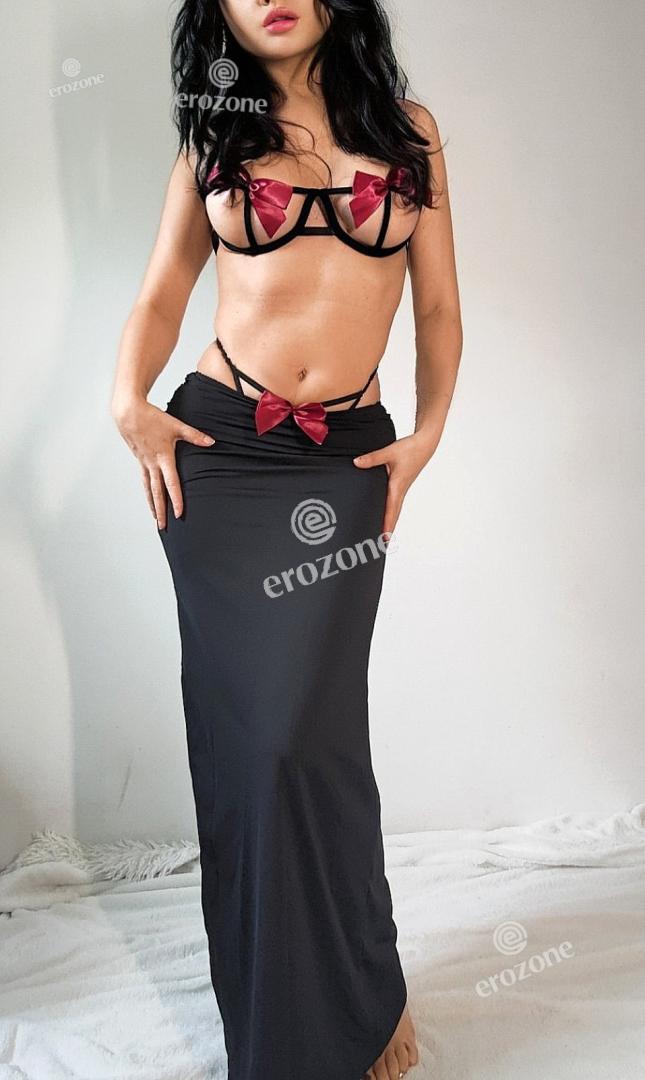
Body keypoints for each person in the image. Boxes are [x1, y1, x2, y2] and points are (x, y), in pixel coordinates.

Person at [111, 2, 462, 1077]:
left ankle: (365, 1003)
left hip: (344, 464)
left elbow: (437, 309)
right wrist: (128, 400)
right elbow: (165, 291)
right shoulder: (212, 137)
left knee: (316, 735)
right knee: (255, 747)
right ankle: (282, 1033)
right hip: (218, 458)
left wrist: (428, 432)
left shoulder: (408, 132)